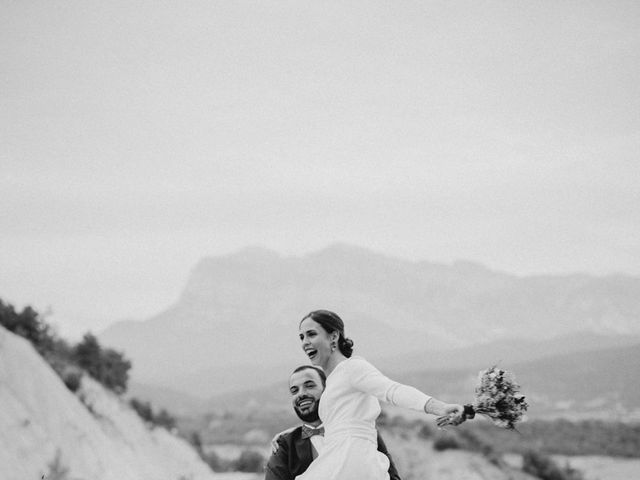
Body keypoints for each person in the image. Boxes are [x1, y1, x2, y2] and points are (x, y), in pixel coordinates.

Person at [295, 309, 468, 480]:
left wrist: (439, 407)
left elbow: (393, 390)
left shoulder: (352, 368)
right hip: (337, 458)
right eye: (302, 337)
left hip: (351, 459)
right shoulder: (332, 382)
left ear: (333, 336)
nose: (305, 342)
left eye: (311, 334)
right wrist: (287, 436)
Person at [265, 365, 402, 480]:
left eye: (309, 386)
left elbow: (392, 476)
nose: (301, 394)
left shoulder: (360, 427)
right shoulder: (285, 445)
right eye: (294, 390)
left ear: (328, 391)